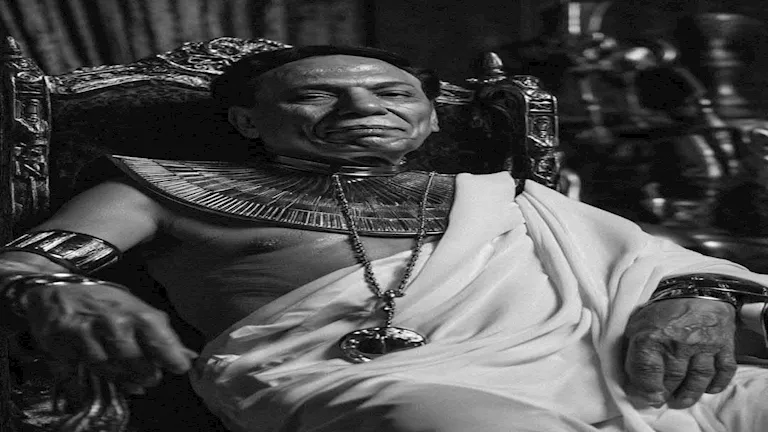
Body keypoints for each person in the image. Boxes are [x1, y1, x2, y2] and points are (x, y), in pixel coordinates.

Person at [1, 45, 768, 432]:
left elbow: (646, 261)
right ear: (246, 121)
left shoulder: (506, 196)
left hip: (619, 368)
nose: (363, 107)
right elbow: (31, 260)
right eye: (317, 95)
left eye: (392, 93)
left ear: (429, 120)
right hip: (374, 384)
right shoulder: (159, 187)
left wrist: (696, 296)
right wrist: (57, 288)